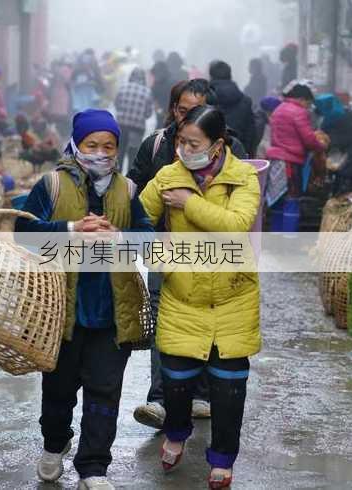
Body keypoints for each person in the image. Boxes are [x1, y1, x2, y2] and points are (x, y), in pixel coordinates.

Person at [16, 109, 153, 490]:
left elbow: (149, 239)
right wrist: (71, 230)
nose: (100, 153)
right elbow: (24, 231)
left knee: (105, 392)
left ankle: (94, 467)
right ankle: (55, 442)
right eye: (92, 145)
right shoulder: (52, 186)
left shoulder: (127, 190)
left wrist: (121, 238)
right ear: (76, 145)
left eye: (109, 146)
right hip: (61, 313)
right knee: (58, 390)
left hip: (112, 313)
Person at [139, 105, 261, 489]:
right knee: (176, 384)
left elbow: (237, 227)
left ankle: (222, 461)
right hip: (183, 296)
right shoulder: (167, 177)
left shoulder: (244, 177)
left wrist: (188, 203)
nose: (183, 149)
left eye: (193, 143)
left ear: (217, 144)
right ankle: (176, 433)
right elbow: (138, 221)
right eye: (180, 140)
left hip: (232, 297)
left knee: (229, 391)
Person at [128, 79, 249, 432]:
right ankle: (161, 400)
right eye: (183, 111)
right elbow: (137, 196)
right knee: (161, 318)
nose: (187, 120)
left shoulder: (233, 150)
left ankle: (202, 395)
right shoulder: (157, 146)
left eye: (196, 112)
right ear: (172, 110)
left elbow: (242, 213)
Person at [266, 84, 328, 231]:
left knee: (277, 202)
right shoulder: (299, 112)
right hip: (290, 162)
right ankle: (288, 241)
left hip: (275, 161)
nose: (308, 107)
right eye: (308, 103)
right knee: (292, 200)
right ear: (301, 99)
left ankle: (276, 238)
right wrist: (321, 146)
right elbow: (308, 139)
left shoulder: (278, 109)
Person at [314, 93, 352, 197]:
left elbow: (335, 140)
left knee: (345, 196)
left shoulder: (334, 118)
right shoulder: (346, 114)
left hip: (346, 163)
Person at [209, 61, 256, 157]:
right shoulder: (245, 101)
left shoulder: (204, 100)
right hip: (238, 155)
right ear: (230, 75)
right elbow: (251, 133)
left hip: (210, 157)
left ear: (211, 76)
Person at [114, 67, 154, 172]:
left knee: (120, 152)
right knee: (133, 154)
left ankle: (117, 177)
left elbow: (117, 105)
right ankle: (129, 181)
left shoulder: (123, 88)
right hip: (137, 128)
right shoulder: (147, 92)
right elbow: (148, 113)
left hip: (121, 125)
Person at [46, 60, 73, 138]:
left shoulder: (56, 70)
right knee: (62, 114)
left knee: (55, 113)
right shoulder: (66, 70)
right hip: (62, 93)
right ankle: (63, 134)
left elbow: (51, 82)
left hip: (55, 93)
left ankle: (55, 133)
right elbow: (67, 82)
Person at [151, 61, 174, 129]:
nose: (155, 76)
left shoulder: (156, 85)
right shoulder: (156, 85)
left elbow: (154, 100)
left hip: (168, 112)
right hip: (166, 112)